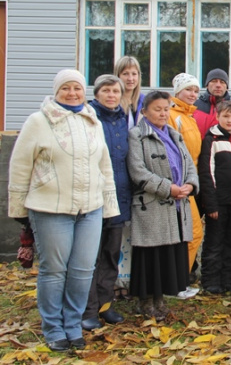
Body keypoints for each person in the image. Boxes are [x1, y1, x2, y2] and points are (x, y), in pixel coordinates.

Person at [8, 69, 119, 352]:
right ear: (56, 92)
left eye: (77, 88)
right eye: (66, 89)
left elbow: (104, 165)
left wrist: (108, 205)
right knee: (55, 270)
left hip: (90, 208)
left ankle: (73, 324)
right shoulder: (38, 121)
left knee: (83, 270)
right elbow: (20, 165)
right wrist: (19, 208)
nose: (72, 93)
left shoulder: (91, 119)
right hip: (50, 209)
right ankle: (53, 328)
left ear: (84, 92)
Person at [127, 91, 199, 321]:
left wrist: (190, 184)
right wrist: (167, 188)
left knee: (169, 253)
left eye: (165, 109)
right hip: (152, 204)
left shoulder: (174, 134)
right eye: (157, 109)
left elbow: (188, 163)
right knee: (151, 255)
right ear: (145, 111)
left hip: (177, 204)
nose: (162, 113)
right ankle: (145, 300)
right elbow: (138, 171)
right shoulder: (137, 135)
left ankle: (160, 299)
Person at [82, 75, 130, 331]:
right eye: (106, 91)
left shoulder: (122, 119)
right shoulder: (89, 118)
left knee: (111, 255)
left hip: (119, 197)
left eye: (116, 91)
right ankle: (87, 310)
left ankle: (105, 305)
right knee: (89, 257)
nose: (111, 95)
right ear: (97, 93)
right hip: (93, 197)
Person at [198, 100, 231, 295]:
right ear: (218, 116)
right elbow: (207, 173)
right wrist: (210, 203)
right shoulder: (211, 140)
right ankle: (210, 280)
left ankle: (228, 280)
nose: (229, 120)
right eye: (226, 116)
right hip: (218, 202)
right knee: (214, 242)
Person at [168, 73, 204, 299]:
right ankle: (175, 283)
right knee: (190, 234)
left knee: (193, 234)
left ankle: (179, 281)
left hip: (190, 183)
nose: (192, 94)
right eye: (188, 89)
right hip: (177, 185)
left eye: (195, 91)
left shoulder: (190, 116)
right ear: (178, 91)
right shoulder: (173, 115)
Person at [194, 68, 231, 137]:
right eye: (214, 81)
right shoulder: (194, 106)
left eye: (222, 82)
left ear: (227, 87)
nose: (218, 85)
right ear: (207, 85)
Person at [114, 56, 145, 128]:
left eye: (134, 74)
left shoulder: (145, 102)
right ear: (118, 76)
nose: (130, 78)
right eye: (125, 74)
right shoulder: (112, 101)